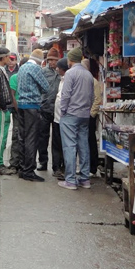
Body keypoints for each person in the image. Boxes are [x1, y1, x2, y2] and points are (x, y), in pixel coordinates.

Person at [58, 47, 95, 190]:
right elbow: (91, 96)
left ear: (70, 59)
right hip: (84, 115)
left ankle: (71, 180)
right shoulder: (88, 74)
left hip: (71, 114)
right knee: (83, 146)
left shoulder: (70, 73)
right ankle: (85, 179)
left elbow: (65, 95)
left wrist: (63, 111)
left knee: (70, 146)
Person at [17, 48, 50, 182]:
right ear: (41, 61)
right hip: (32, 106)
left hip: (21, 105)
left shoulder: (22, 67)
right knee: (31, 138)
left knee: (23, 137)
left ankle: (22, 167)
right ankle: (29, 170)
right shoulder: (35, 69)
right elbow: (46, 87)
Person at [37, 47, 61, 171]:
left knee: (57, 139)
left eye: (54, 60)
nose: (52, 62)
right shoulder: (43, 72)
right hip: (44, 108)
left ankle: (56, 165)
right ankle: (43, 162)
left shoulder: (61, 73)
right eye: (50, 60)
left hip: (57, 110)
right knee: (43, 137)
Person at [51, 57, 70, 179]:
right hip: (57, 117)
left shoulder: (68, 79)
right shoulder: (62, 79)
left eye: (58, 67)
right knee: (57, 143)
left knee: (63, 143)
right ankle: (57, 167)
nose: (57, 69)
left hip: (64, 117)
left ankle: (62, 167)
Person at [85, 57, 103, 176]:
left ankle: (93, 167)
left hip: (89, 116)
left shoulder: (93, 81)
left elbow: (97, 99)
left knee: (90, 140)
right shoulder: (84, 80)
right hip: (82, 115)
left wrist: (91, 114)